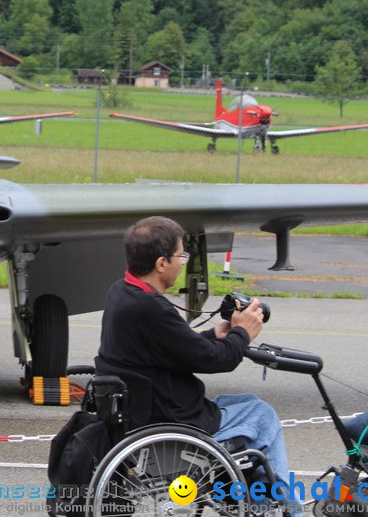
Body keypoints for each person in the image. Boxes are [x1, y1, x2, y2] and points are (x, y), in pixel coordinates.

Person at [95, 215, 298, 514]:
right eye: (181, 256)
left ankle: (252, 499)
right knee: (263, 416)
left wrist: (215, 334)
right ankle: (285, 509)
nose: (184, 262)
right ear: (162, 263)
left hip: (141, 411)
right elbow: (217, 360)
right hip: (168, 420)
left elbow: (173, 348)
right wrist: (243, 333)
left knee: (244, 401)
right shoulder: (151, 309)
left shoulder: (122, 292)